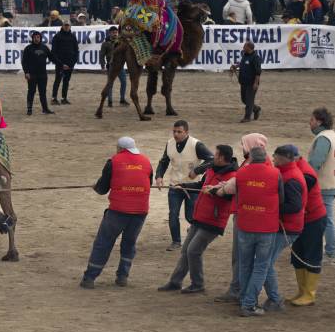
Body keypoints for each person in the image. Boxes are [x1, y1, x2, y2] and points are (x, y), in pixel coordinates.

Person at [158, 144, 238, 294]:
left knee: (193, 251)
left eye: (215, 155)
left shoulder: (233, 176)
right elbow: (201, 185)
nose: (213, 157)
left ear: (221, 158)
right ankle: (175, 282)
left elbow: (228, 196)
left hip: (214, 221)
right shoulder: (212, 169)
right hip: (200, 217)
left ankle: (198, 284)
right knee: (186, 250)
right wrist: (183, 186)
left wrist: (214, 191)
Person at [80, 137, 152, 289]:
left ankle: (90, 278)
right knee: (129, 242)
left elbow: (102, 189)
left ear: (120, 148)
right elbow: (148, 184)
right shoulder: (146, 161)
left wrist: (96, 186)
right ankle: (122, 276)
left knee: (103, 242)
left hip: (118, 211)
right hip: (140, 211)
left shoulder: (113, 162)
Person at [226, 146, 284, 317]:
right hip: (266, 226)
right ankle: (249, 304)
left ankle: (245, 299)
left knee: (245, 264)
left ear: (250, 158)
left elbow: (236, 194)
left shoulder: (241, 173)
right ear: (265, 157)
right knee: (261, 267)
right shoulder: (275, 174)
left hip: (245, 224)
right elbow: (281, 199)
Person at [154, 120, 214, 250]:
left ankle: (196, 236)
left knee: (190, 215)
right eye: (174, 131)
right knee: (173, 214)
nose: (175, 134)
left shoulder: (197, 144)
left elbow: (212, 159)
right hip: (174, 185)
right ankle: (176, 241)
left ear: (186, 132)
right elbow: (164, 161)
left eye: (179, 132)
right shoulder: (169, 143)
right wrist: (159, 176)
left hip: (191, 186)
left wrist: (197, 171)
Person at [261, 145, 307, 312]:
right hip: (287, 226)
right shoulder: (288, 173)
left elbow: (294, 206)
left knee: (265, 262)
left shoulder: (291, 178)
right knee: (265, 261)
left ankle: (275, 299)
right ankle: (274, 297)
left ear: (284, 158)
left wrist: (272, 207)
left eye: (276, 156)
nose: (273, 159)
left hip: (287, 227)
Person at [289, 151, 328, 306]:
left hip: (313, 219)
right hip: (304, 219)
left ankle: (309, 293)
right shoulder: (296, 169)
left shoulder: (305, 174)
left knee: (311, 254)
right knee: (298, 254)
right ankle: (302, 291)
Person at [307, 107, 335, 263]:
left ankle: (331, 252)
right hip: (334, 183)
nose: (310, 123)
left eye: (312, 120)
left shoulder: (323, 138)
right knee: (325, 218)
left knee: (326, 219)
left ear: (319, 121)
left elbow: (316, 162)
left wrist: (306, 180)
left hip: (324, 185)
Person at [21, 31, 57, 115]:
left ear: (40, 38)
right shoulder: (28, 48)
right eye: (35, 37)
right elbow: (24, 62)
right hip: (32, 74)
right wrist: (26, 72)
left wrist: (61, 64)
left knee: (43, 92)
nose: (36, 39)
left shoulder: (44, 48)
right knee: (31, 92)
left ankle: (45, 109)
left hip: (42, 74)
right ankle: (29, 109)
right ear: (32, 38)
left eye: (38, 37)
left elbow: (52, 58)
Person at [230, 41, 262, 122]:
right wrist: (235, 66)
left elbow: (258, 72)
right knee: (244, 99)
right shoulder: (245, 55)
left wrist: (255, 83)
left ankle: (247, 117)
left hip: (251, 83)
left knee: (249, 100)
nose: (243, 48)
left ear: (249, 48)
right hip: (243, 82)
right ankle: (256, 109)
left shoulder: (255, 58)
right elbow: (242, 64)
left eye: (244, 46)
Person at [50, 21, 78, 105]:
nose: (66, 27)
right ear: (62, 26)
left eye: (68, 25)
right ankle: (54, 98)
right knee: (58, 80)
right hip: (60, 63)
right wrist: (60, 64)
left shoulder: (73, 36)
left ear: (70, 26)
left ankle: (64, 98)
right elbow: (53, 52)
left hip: (70, 64)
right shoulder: (57, 36)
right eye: (65, 25)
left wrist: (73, 62)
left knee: (66, 81)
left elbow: (76, 50)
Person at [99, 26, 128, 106]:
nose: (115, 34)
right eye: (113, 32)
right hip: (111, 66)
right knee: (110, 84)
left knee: (124, 82)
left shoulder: (120, 42)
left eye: (116, 32)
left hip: (120, 66)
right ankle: (110, 101)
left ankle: (122, 99)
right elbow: (101, 55)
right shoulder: (105, 44)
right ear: (110, 33)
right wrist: (102, 65)